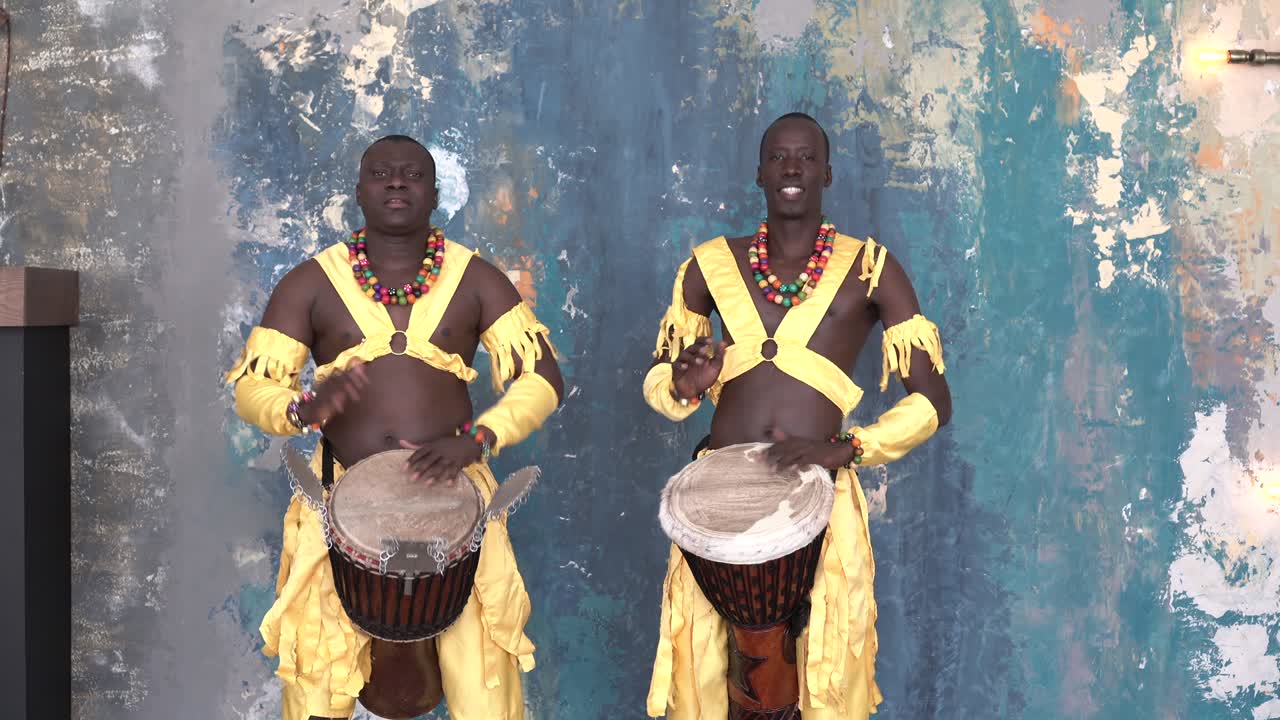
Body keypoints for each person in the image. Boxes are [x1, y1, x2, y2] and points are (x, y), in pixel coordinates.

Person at [225, 134, 564, 720]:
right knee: (314, 685)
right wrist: (303, 408)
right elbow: (252, 390)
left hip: (458, 504)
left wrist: (479, 438)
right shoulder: (312, 282)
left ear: (435, 193)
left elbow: (544, 378)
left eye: (412, 173)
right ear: (360, 192)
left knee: (486, 689)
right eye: (381, 173)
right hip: (337, 503)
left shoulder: (475, 278)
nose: (397, 182)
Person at [643, 113, 952, 719]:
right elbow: (658, 382)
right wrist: (681, 384)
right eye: (779, 157)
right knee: (707, 677)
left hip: (819, 501)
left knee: (823, 680)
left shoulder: (872, 268)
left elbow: (933, 402)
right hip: (717, 504)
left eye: (806, 157)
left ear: (828, 173)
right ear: (759, 173)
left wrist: (849, 449)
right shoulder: (709, 264)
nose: (792, 168)